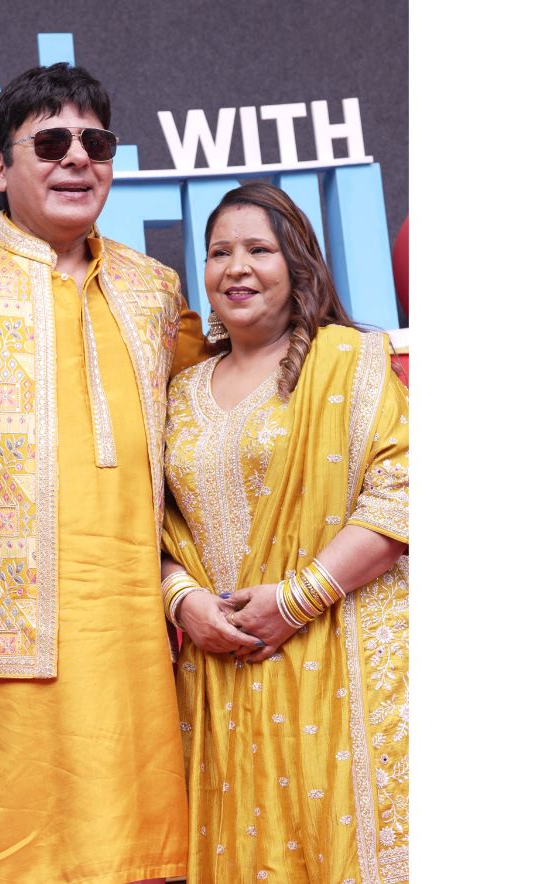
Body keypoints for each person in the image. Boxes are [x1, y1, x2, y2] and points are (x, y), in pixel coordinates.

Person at [0, 63, 210, 884]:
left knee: (149, 862)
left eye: (96, 143)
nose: (78, 157)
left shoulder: (157, 294)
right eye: (50, 143)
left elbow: (215, 439)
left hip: (143, 658)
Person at [159, 182, 409, 883]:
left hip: (343, 656)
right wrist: (183, 603)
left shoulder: (349, 360)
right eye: (219, 253)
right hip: (222, 676)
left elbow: (405, 494)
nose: (236, 267)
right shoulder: (180, 391)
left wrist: (294, 601)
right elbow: (149, 528)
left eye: (258, 250)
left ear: (297, 264)